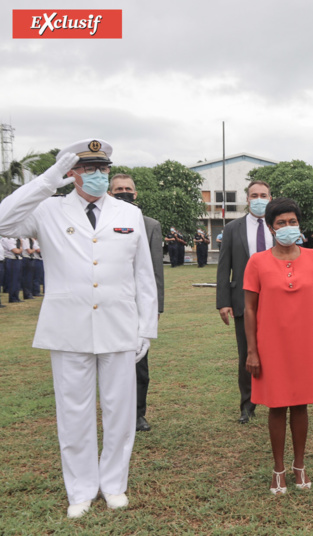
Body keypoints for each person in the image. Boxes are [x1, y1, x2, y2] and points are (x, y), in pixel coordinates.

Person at [0, 139, 158, 518]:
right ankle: (81, 489)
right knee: (74, 412)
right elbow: (3, 220)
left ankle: (114, 484)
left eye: (103, 169)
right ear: (71, 173)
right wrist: (49, 177)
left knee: (120, 411)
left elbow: (143, 276)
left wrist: (145, 328)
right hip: (68, 327)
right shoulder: (49, 209)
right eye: (88, 169)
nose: (98, 176)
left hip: (119, 325)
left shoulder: (128, 213)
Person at [243, 198, 313, 494]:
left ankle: (299, 465)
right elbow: (251, 309)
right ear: (270, 227)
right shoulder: (257, 262)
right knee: (277, 405)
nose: (288, 227)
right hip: (271, 346)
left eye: (292, 222)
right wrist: (253, 351)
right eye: (281, 223)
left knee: (301, 404)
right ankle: (278, 468)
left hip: (306, 343)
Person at [109, 173, 165, 433]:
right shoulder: (98, 222)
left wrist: (156, 308)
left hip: (136, 307)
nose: (123, 192)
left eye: (128, 188)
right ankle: (114, 416)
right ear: (110, 193)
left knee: (138, 364)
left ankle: (138, 414)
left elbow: (154, 271)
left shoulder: (150, 225)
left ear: (136, 193)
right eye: (118, 188)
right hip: (106, 304)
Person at [216, 180, 273, 424]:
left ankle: (275, 398)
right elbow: (223, 268)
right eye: (254, 195)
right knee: (247, 354)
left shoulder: (278, 226)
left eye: (263, 195)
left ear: (270, 198)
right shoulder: (232, 229)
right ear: (247, 199)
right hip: (242, 300)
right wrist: (223, 302)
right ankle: (247, 405)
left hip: (276, 300)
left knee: (275, 352)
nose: (259, 198)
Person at [2, 236, 23, 303]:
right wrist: (21, 248)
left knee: (17, 280)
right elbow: (16, 251)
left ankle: (16, 297)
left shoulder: (16, 239)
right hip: (11, 260)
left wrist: (20, 247)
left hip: (17, 260)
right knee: (13, 280)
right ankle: (12, 298)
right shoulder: (7, 239)